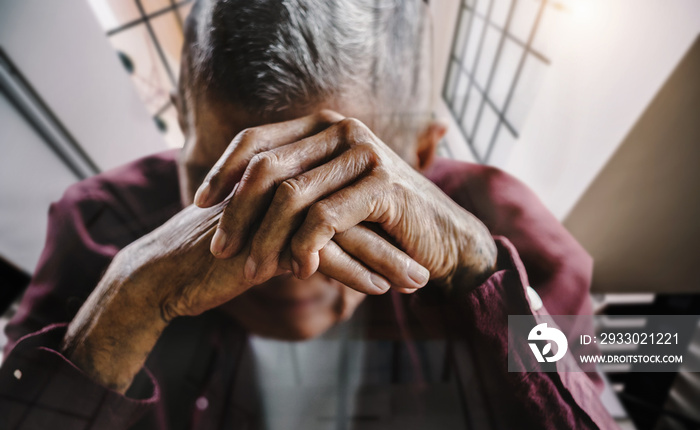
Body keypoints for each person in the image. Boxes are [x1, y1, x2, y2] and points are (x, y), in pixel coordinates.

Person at [0, 0, 617, 429]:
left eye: (346, 191)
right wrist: (122, 309)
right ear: (181, 132)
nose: (286, 261)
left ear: (420, 159)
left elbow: (639, 354)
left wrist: (481, 277)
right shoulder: (97, 226)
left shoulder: (517, 241)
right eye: (239, 189)